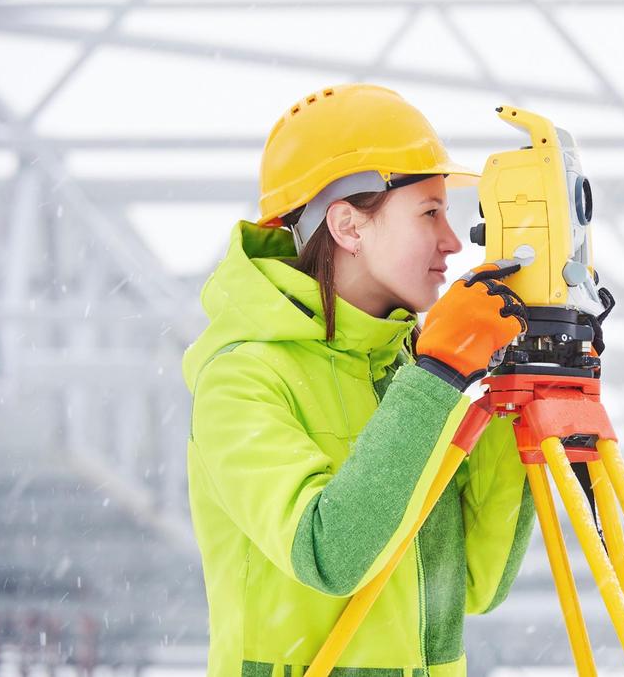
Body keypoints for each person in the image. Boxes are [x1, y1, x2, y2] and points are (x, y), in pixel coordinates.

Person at [182, 83, 535, 677]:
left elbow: (477, 583)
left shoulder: (408, 374)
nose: (453, 241)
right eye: (429, 212)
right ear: (348, 226)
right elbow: (329, 555)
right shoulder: (242, 379)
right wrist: (440, 373)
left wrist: (517, 394)